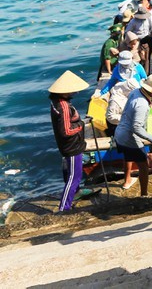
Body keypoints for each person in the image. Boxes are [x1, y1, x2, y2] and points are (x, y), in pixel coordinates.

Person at [113, 75, 152, 195]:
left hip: (120, 133)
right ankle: (144, 194)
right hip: (130, 137)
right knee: (143, 165)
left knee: (128, 156)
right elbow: (136, 128)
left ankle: (127, 180)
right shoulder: (142, 104)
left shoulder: (136, 91)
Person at [48, 70, 92, 212]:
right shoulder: (64, 106)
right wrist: (81, 124)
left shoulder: (55, 102)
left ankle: (76, 192)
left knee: (69, 172)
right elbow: (66, 131)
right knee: (75, 176)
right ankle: (64, 207)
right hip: (72, 146)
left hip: (65, 145)